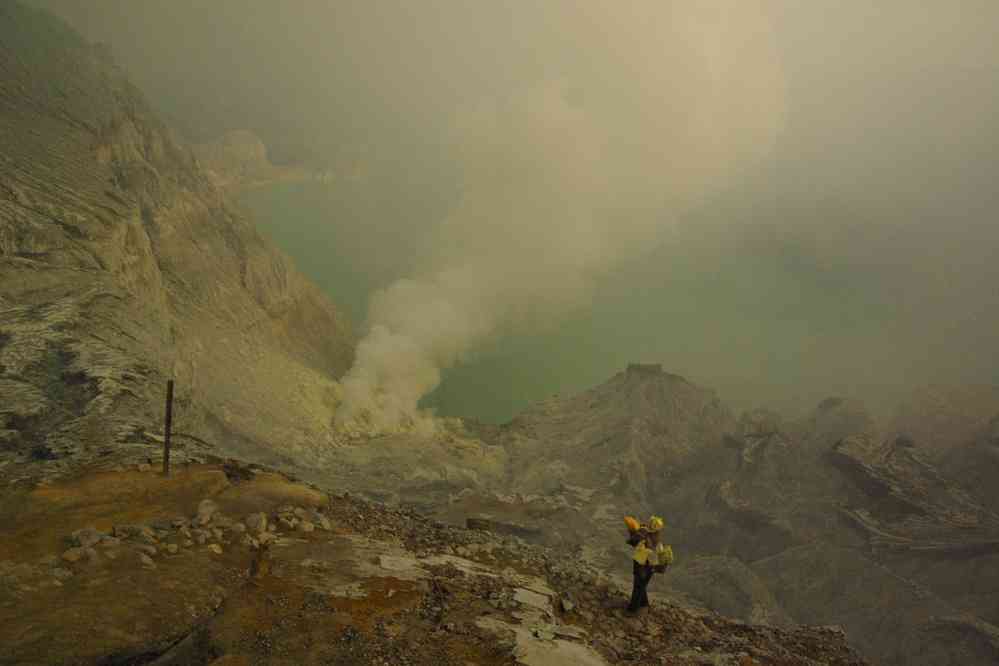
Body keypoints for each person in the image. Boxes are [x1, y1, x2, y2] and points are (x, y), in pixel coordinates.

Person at [625, 515, 674, 614]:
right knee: (641, 586)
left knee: (638, 588)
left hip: (640, 566)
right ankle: (644, 605)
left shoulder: (642, 533)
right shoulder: (657, 540)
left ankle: (632, 610)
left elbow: (632, 541)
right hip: (650, 567)